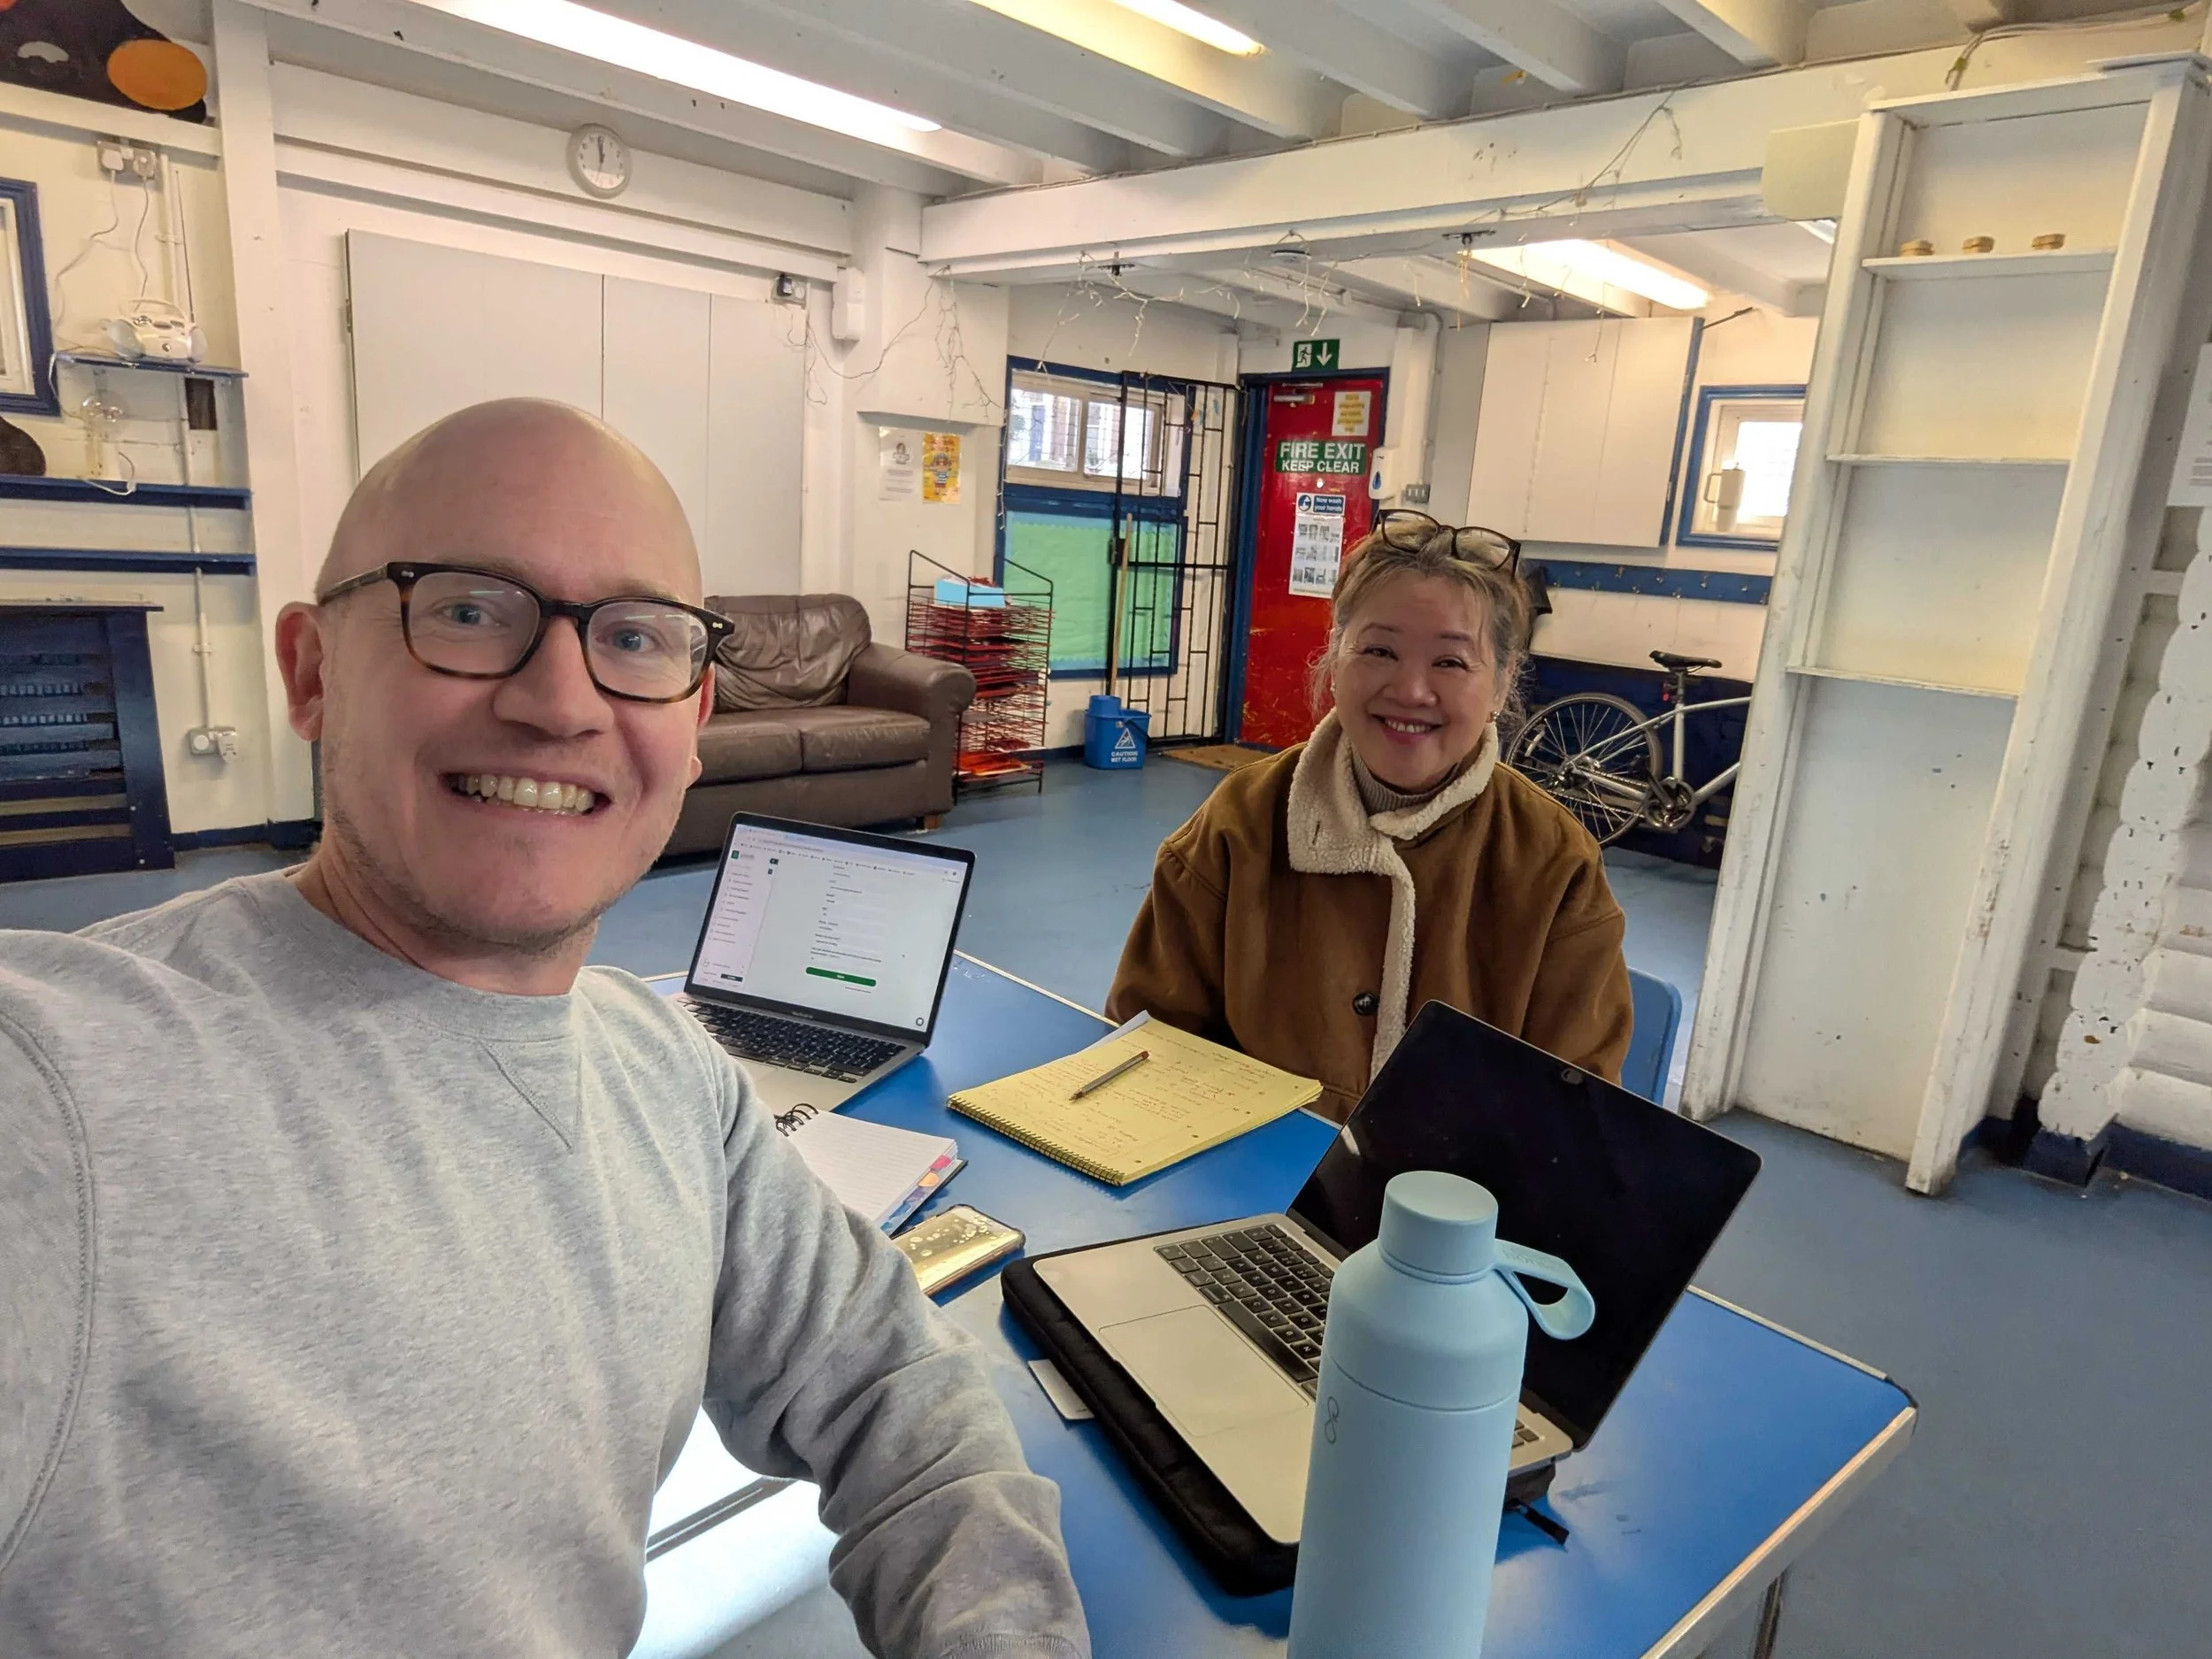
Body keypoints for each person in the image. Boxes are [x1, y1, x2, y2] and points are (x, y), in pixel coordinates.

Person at [0, 400, 1088, 1659]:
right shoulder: (62, 1086)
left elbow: (907, 1395)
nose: (561, 701)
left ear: (691, 720)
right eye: (466, 608)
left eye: (635, 637)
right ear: (310, 672)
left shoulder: (669, 1071)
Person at [1108, 512, 1632, 1121]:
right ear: (1335, 659)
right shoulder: (1238, 826)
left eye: (1451, 662)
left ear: (1502, 683)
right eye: (1379, 650)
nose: (1410, 690)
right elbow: (1147, 1044)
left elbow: (1574, 1118)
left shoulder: (1554, 861)